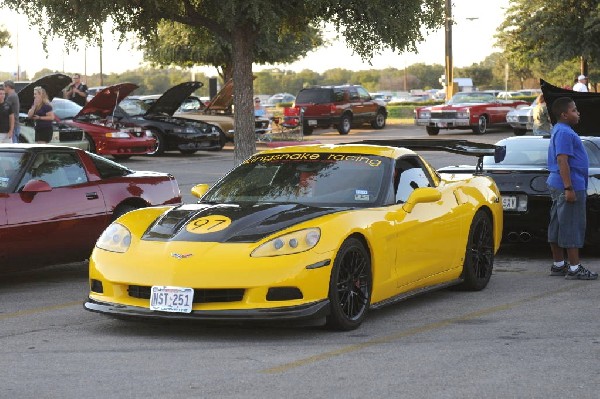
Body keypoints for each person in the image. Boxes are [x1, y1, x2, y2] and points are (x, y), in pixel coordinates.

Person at [547, 96, 597, 280]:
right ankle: (575, 268)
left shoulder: (560, 130)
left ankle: (559, 265)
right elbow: (562, 160)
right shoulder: (565, 133)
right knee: (572, 226)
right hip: (569, 185)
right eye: (574, 110)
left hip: (559, 184)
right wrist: (569, 187)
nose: (578, 113)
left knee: (558, 224)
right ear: (564, 114)